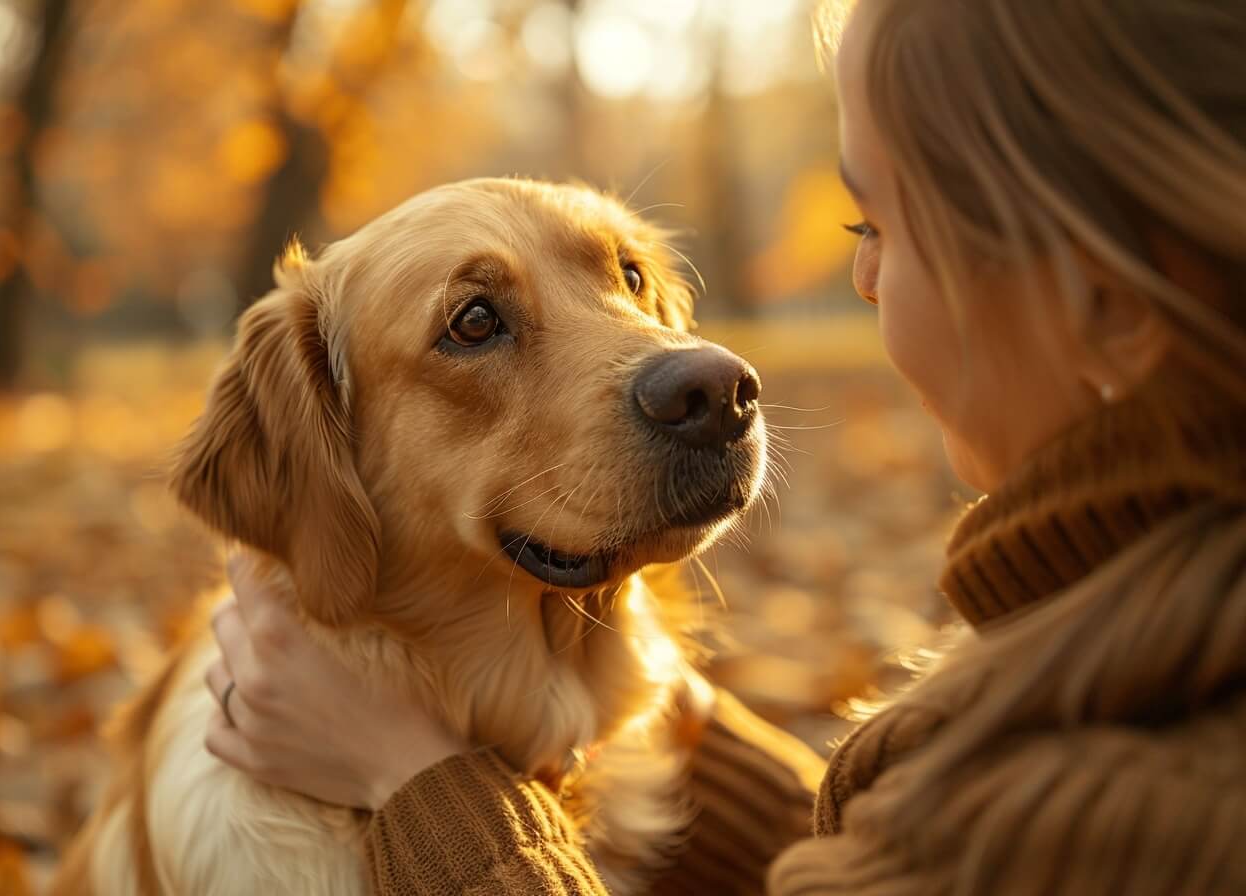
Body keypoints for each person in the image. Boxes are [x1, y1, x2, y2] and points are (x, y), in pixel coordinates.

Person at [200, 0, 1246, 892]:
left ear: (1108, 296)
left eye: (875, 226)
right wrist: (691, 740)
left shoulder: (1156, 800)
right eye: (476, 324)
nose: (686, 357)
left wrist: (422, 785)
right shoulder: (1140, 603)